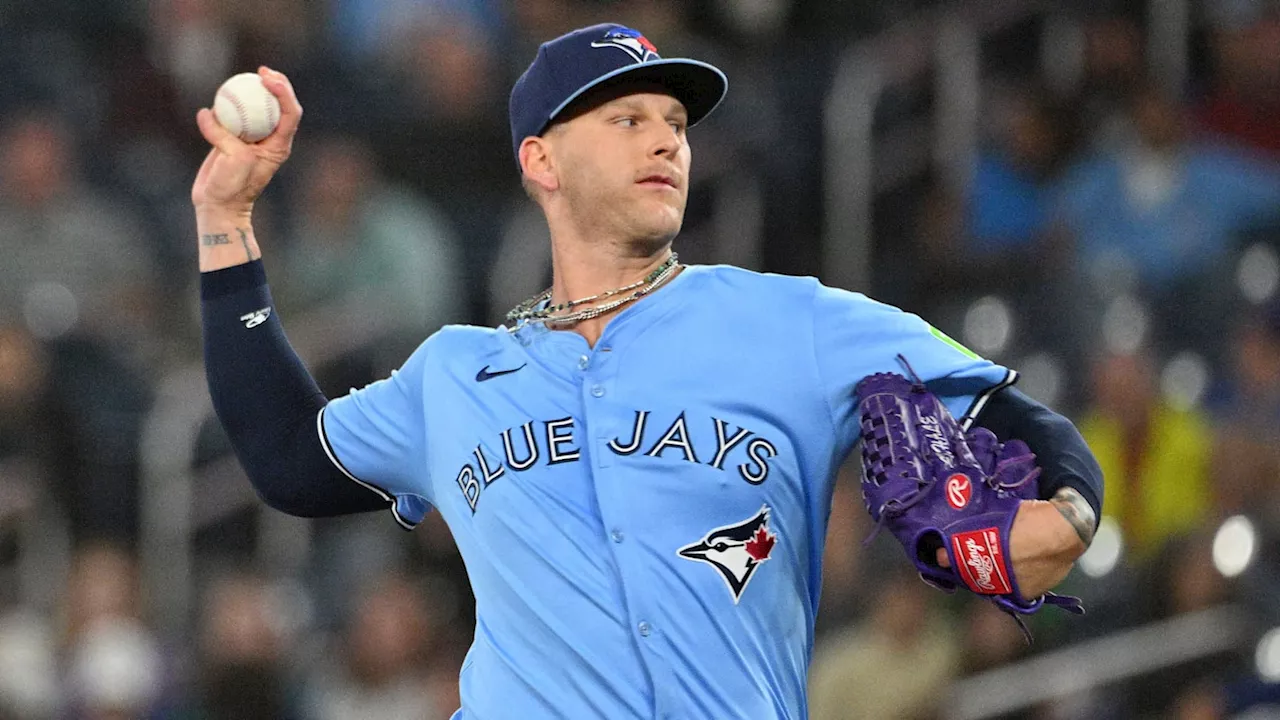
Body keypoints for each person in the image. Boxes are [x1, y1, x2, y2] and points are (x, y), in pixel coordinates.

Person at [192, 24, 1102, 719]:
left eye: (674, 123)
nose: (665, 141)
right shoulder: (456, 375)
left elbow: (1012, 417)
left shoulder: (794, 322)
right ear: (539, 160)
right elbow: (289, 460)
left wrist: (1068, 511)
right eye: (626, 119)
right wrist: (227, 223)